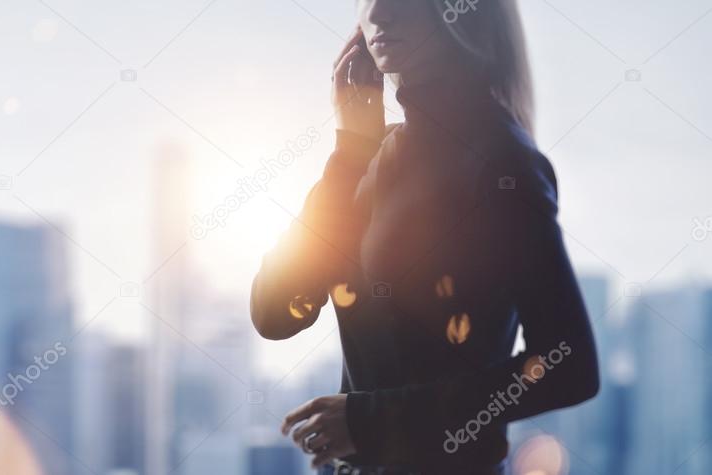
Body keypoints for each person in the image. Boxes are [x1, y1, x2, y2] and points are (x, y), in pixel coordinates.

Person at [249, 1, 600, 473]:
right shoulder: (371, 155)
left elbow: (568, 365)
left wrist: (372, 422)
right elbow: (276, 312)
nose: (379, 13)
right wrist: (351, 152)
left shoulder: (501, 162)